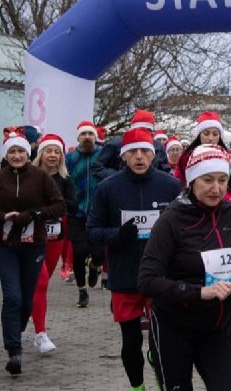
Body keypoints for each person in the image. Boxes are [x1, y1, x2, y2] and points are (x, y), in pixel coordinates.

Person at [139, 145, 231, 391]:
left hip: (220, 327)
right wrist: (199, 292)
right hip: (174, 327)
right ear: (191, 181)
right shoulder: (171, 219)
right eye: (208, 180)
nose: (217, 188)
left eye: (223, 180)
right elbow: (147, 280)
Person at [88, 128, 181, 391]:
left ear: (153, 155)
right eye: (133, 152)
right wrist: (118, 234)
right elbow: (92, 230)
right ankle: (137, 387)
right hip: (125, 275)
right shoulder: (108, 188)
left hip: (161, 276)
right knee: (130, 343)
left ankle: (161, 378)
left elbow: (184, 229)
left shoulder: (170, 186)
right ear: (124, 156)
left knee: (160, 341)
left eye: (145, 151)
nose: (139, 157)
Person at [0, 129, 65, 375]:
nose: (17, 155)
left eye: (21, 150)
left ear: (28, 152)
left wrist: (35, 214)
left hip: (34, 243)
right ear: (6, 154)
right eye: (12, 151)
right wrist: (1, 217)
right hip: (5, 244)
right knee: (12, 296)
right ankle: (14, 350)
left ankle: (18, 330)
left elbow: (59, 205)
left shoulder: (41, 177)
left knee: (26, 298)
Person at [30, 133, 78, 353]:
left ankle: (30, 317)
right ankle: (41, 333)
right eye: (48, 151)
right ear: (41, 154)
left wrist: (52, 204)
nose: (52, 155)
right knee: (39, 283)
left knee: (41, 283)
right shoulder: (29, 175)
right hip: (31, 236)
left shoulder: (65, 179)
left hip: (55, 236)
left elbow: (73, 205)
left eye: (56, 152)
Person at [65, 120, 104, 308]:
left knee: (99, 252)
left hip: (99, 213)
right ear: (79, 137)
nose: (87, 137)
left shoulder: (103, 155)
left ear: (95, 137)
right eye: (84, 134)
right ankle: (82, 291)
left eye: (90, 134)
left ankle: (95, 265)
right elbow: (63, 180)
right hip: (76, 212)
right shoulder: (70, 158)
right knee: (79, 252)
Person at [91, 109, 170, 180]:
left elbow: (164, 170)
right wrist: (118, 176)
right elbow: (97, 167)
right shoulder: (115, 144)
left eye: (147, 130)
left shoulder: (158, 147)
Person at [176, 111, 229, 187]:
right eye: (206, 134)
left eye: (215, 134)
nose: (210, 138)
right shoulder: (186, 158)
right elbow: (179, 184)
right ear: (199, 135)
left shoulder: (229, 158)